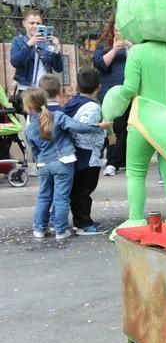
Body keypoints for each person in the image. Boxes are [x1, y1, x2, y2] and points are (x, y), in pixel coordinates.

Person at [24, 89, 110, 241]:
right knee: (61, 197)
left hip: (44, 164)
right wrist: (99, 126)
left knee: (44, 197)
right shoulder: (58, 116)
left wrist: (40, 163)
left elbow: (35, 151)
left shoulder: (29, 129)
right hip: (64, 162)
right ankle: (60, 231)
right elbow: (79, 127)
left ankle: (39, 229)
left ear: (29, 108)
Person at [63, 68, 108, 236]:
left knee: (77, 190)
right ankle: (84, 223)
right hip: (89, 155)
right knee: (84, 191)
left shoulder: (71, 103)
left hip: (74, 151)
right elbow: (89, 130)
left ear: (77, 86)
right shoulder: (93, 108)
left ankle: (78, 220)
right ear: (99, 86)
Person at [92, 16, 130, 176]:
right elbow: (100, 64)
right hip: (110, 93)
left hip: (129, 90)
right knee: (114, 127)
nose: (118, 30)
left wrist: (130, 50)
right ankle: (112, 161)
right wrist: (114, 49)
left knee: (128, 127)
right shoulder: (104, 45)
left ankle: (124, 160)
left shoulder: (133, 44)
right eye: (116, 26)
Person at [11, 8, 63, 92]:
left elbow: (59, 68)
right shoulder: (18, 41)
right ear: (24, 23)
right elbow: (15, 62)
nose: (35, 26)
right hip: (25, 89)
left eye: (38, 23)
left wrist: (56, 48)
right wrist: (29, 45)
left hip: (45, 90)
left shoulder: (47, 43)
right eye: (32, 23)